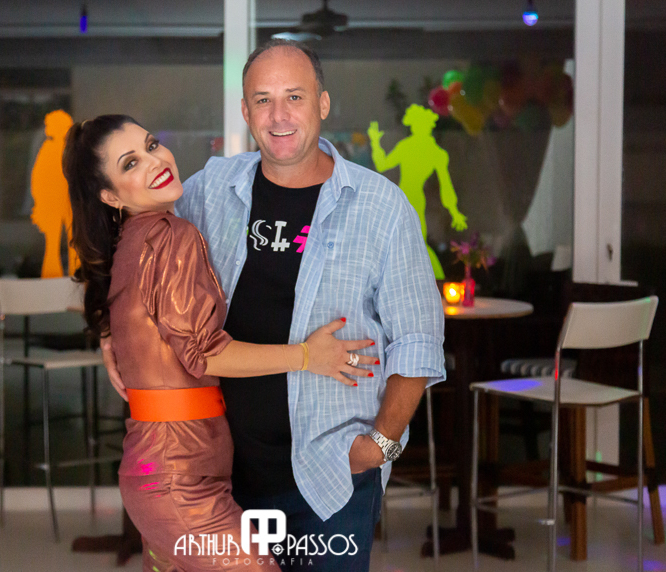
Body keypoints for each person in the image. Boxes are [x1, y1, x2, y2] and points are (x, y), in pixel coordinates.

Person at [103, 40, 446, 572]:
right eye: (263, 100)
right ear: (246, 111)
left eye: (294, 97)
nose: (279, 115)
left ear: (323, 103)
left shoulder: (382, 207)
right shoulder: (210, 189)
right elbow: (137, 253)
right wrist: (111, 331)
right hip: (223, 475)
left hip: (331, 478)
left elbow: (417, 342)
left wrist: (380, 446)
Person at [63, 114, 378, 572]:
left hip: (166, 472)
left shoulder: (132, 240)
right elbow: (204, 352)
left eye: (151, 145)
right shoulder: (170, 235)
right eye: (131, 163)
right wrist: (308, 355)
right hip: (179, 481)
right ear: (110, 196)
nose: (155, 161)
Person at [368, 104, 468, 279]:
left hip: (409, 199)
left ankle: (432, 281)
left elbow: (446, 186)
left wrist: (454, 212)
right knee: (405, 243)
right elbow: (382, 165)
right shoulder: (418, 148)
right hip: (402, 199)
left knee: (414, 243)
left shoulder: (433, 152)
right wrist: (375, 142)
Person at [31, 109, 79, 277]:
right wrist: (40, 202)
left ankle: (76, 278)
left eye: (48, 125)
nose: (46, 129)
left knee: (74, 243)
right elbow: (38, 179)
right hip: (54, 206)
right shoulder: (49, 149)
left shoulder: (73, 152)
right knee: (53, 245)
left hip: (71, 205)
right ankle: (52, 279)